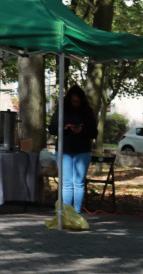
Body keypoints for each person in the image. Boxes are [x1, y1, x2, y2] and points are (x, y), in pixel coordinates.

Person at [48, 85, 98, 214]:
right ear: (69, 100)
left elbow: (94, 133)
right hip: (64, 149)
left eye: (78, 101)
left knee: (79, 183)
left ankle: (76, 211)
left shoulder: (87, 113)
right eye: (73, 101)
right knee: (66, 182)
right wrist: (64, 128)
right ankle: (65, 212)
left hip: (82, 150)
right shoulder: (61, 112)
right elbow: (52, 129)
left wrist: (81, 130)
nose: (76, 103)